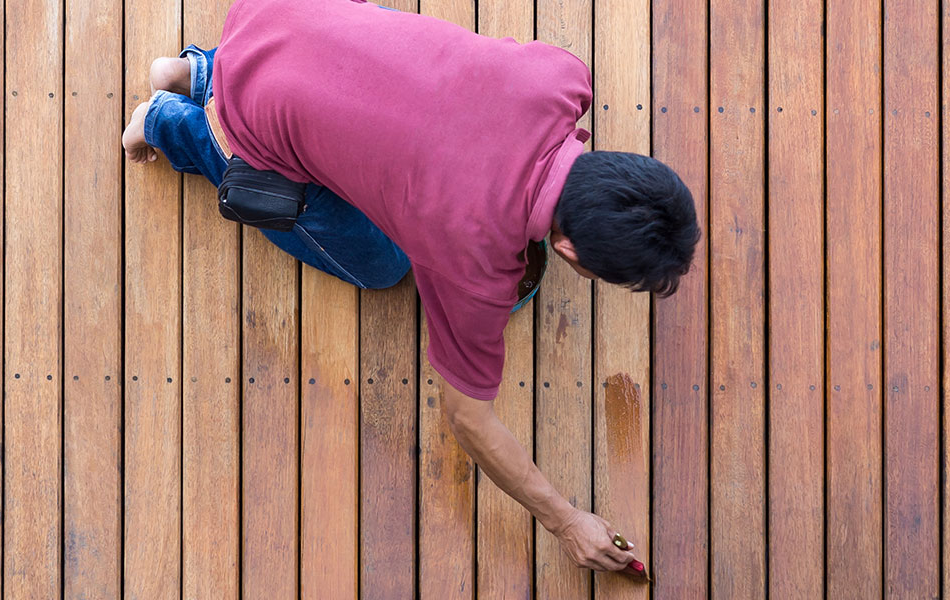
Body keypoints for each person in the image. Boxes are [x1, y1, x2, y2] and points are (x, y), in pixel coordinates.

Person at [120, 0, 698, 573]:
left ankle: (195, 71)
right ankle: (168, 122)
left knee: (338, 83)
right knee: (382, 266)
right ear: (569, 251)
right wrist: (565, 519)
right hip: (252, 124)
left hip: (277, 16)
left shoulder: (564, 78)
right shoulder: (475, 262)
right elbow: (469, 419)